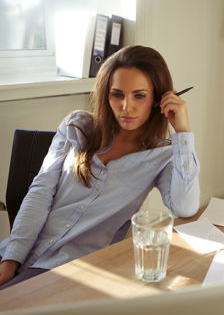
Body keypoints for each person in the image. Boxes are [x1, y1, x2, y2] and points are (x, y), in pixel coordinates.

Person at [0, 45, 200, 289]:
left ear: (158, 99)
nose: (126, 107)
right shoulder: (76, 126)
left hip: (68, 272)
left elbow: (185, 207)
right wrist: (11, 259)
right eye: (117, 94)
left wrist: (183, 133)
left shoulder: (162, 156)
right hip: (18, 250)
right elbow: (40, 192)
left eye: (139, 95)